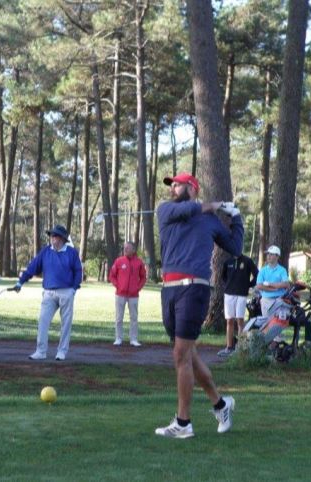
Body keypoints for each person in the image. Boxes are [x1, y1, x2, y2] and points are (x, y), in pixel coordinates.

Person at [155, 172, 243, 439]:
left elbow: (235, 247)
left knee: (180, 355)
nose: (174, 188)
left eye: (179, 184)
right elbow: (192, 209)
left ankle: (183, 423)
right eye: (172, 185)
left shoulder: (209, 221)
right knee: (188, 356)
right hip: (169, 290)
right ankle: (220, 404)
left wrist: (236, 218)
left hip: (194, 288)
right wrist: (215, 205)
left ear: (192, 188)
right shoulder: (166, 210)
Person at [12, 225, 83, 361]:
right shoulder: (45, 251)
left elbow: (78, 271)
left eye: (55, 236)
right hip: (48, 292)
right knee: (43, 321)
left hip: (66, 291)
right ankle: (41, 351)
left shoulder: (71, 252)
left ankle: (62, 352)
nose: (52, 239)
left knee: (66, 323)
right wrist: (20, 282)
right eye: (51, 236)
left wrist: (74, 289)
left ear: (62, 239)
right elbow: (33, 267)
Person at [217, 254, 258, 357]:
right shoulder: (227, 261)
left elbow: (257, 275)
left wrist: (248, 285)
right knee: (229, 321)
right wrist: (229, 285)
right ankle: (229, 347)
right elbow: (223, 276)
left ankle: (240, 348)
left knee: (240, 320)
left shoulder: (247, 261)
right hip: (229, 294)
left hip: (242, 294)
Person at [109, 241, 147, 347]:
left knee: (134, 318)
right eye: (124, 248)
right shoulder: (119, 261)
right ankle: (118, 338)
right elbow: (112, 275)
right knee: (119, 318)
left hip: (134, 295)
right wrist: (118, 286)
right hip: (120, 294)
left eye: (128, 248)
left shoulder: (139, 262)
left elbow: (143, 277)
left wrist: (137, 288)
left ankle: (133, 339)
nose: (125, 249)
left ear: (133, 250)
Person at [255, 245, 291, 317]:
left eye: (271, 254)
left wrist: (268, 284)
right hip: (266, 300)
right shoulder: (263, 270)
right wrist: (273, 289)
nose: (268, 256)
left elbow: (286, 284)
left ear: (277, 256)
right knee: (267, 324)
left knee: (279, 324)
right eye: (268, 254)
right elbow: (259, 285)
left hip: (279, 300)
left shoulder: (282, 270)